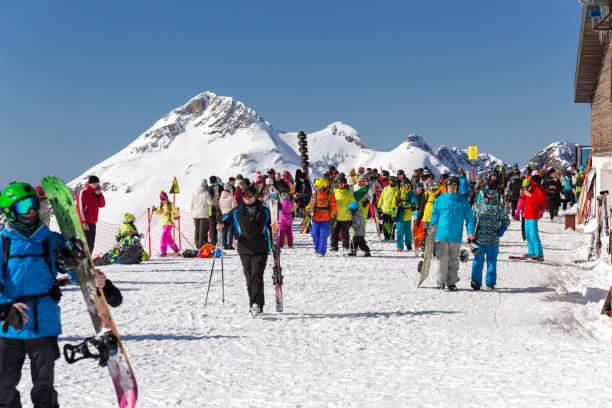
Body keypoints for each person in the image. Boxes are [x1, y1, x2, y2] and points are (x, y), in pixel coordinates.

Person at [0, 182, 121, 408]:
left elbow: (76, 271)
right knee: (3, 388)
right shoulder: (3, 242)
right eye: (24, 206)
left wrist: (95, 279)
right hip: (10, 324)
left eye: (34, 204)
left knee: (44, 387)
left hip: (44, 323)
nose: (32, 210)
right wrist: (5, 307)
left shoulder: (51, 240)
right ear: (9, 211)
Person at [222, 185, 271, 317]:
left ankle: (256, 304)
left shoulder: (264, 210)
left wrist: (274, 239)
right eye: (244, 196)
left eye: (249, 195)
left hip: (261, 247)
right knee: (249, 277)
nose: (247, 198)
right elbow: (226, 219)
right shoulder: (237, 211)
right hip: (244, 248)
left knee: (256, 275)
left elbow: (270, 226)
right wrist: (220, 224)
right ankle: (254, 304)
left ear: (255, 195)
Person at [429, 176, 475, 291]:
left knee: (453, 260)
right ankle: (441, 282)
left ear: (458, 187)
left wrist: (471, 232)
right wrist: (431, 230)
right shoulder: (440, 200)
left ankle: (451, 282)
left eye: (454, 186)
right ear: (446, 187)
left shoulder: (463, 201)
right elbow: (434, 216)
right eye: (449, 186)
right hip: (441, 235)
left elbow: (469, 218)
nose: (451, 188)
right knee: (442, 259)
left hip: (455, 235)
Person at [470, 185, 510, 290]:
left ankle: (490, 282)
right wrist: (471, 233)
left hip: (493, 240)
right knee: (478, 261)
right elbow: (471, 220)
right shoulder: (478, 205)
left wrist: (501, 230)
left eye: (493, 193)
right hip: (479, 239)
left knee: (492, 261)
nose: (491, 195)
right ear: (485, 193)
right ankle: (476, 282)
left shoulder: (499, 206)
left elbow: (506, 220)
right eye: (489, 192)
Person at [307, 178, 337, 257]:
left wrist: (335, 214)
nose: (316, 188)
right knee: (314, 234)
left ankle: (321, 251)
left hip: (326, 218)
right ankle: (317, 249)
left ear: (322, 186)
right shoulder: (314, 194)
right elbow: (310, 205)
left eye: (318, 186)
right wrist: (308, 209)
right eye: (316, 186)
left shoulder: (329, 195)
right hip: (316, 218)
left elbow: (334, 205)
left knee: (323, 235)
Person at [76, 175, 105, 253]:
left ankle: (88, 261)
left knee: (91, 245)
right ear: (91, 183)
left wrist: (100, 194)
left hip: (92, 223)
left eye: (98, 184)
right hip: (85, 223)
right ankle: (81, 260)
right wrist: (83, 222)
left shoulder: (96, 193)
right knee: (85, 244)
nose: (97, 185)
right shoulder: (83, 192)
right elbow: (80, 208)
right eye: (96, 184)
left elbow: (102, 205)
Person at [521, 178, 546, 261]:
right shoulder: (526, 191)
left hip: (533, 216)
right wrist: (522, 196)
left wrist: (530, 195)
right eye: (523, 188)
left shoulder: (536, 189)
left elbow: (541, 200)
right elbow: (524, 201)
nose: (524, 190)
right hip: (527, 216)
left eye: (525, 188)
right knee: (528, 236)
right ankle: (531, 252)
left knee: (534, 235)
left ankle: (539, 254)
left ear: (529, 186)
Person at [393, 178, 418, 252]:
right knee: (400, 231)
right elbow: (393, 204)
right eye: (403, 185)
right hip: (399, 214)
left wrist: (414, 205)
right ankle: (399, 247)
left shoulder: (411, 193)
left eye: (406, 185)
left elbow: (414, 200)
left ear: (408, 185)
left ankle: (408, 244)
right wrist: (393, 214)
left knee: (408, 232)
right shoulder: (398, 193)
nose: (404, 187)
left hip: (408, 214)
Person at [152, 191, 180, 256]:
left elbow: (177, 213)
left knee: (164, 237)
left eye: (164, 200)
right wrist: (154, 210)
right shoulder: (162, 205)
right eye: (161, 200)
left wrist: (169, 213)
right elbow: (159, 212)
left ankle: (163, 252)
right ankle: (176, 250)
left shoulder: (171, 205)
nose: (163, 201)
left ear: (166, 198)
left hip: (170, 223)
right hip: (164, 224)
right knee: (169, 239)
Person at [331, 174, 354, 251]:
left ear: (345, 184)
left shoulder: (348, 193)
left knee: (345, 232)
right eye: (339, 184)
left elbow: (353, 203)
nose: (340, 186)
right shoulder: (334, 192)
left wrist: (352, 210)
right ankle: (334, 246)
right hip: (335, 216)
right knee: (334, 232)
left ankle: (346, 245)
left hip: (345, 216)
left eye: (342, 184)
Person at [191, 179, 212, 249]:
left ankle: (197, 245)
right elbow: (210, 203)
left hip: (195, 214)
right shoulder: (206, 193)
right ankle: (200, 245)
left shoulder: (194, 193)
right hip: (203, 214)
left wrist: (192, 213)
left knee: (196, 229)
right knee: (202, 231)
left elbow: (192, 204)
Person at [219, 184, 237, 250]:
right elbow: (234, 207)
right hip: (230, 214)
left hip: (223, 214)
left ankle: (224, 244)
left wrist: (223, 212)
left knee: (224, 230)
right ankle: (230, 245)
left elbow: (220, 206)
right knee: (231, 230)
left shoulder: (221, 197)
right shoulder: (231, 196)